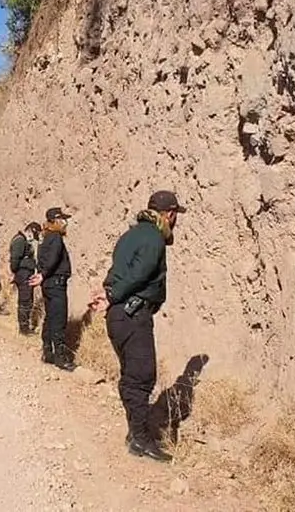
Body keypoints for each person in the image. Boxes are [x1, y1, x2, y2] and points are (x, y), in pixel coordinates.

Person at [91, 190, 187, 463]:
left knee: (133, 375)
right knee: (141, 376)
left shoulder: (130, 235)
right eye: (175, 215)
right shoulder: (154, 237)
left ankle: (136, 434)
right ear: (169, 214)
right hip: (132, 315)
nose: (175, 221)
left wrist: (107, 291)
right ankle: (141, 440)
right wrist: (111, 295)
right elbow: (139, 272)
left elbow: (119, 271)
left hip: (121, 316)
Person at [31, 207, 77, 371]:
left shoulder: (45, 237)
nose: (65, 223)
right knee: (58, 319)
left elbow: (42, 259)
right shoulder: (56, 237)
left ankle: (47, 352)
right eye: (62, 220)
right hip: (56, 283)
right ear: (55, 221)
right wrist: (43, 274)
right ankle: (60, 357)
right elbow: (53, 258)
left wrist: (42, 275)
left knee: (50, 318)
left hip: (49, 284)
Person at [9, 221, 42, 335]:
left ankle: (25, 327)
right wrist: (15, 272)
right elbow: (15, 259)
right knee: (25, 301)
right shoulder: (20, 240)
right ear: (31, 231)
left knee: (27, 300)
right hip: (23, 274)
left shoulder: (22, 240)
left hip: (24, 273)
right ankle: (24, 329)